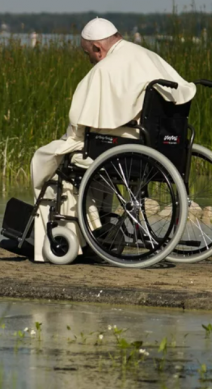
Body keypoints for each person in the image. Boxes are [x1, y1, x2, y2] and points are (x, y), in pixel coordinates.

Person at [29, 17, 196, 263]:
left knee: (46, 157)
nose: (90, 59)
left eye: (88, 54)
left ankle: (63, 236)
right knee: (96, 154)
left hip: (125, 146)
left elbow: (80, 124)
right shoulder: (147, 56)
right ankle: (96, 228)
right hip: (160, 144)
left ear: (98, 48)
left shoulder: (105, 69)